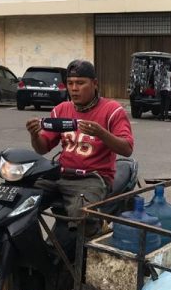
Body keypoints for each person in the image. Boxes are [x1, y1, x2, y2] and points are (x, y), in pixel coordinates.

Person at [25, 60, 134, 252]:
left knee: (81, 217)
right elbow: (42, 149)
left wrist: (101, 133)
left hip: (93, 177)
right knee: (22, 199)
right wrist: (34, 134)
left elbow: (127, 149)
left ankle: (94, 245)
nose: (74, 88)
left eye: (81, 83)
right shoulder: (60, 110)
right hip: (60, 174)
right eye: (71, 83)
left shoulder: (112, 110)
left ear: (95, 83)